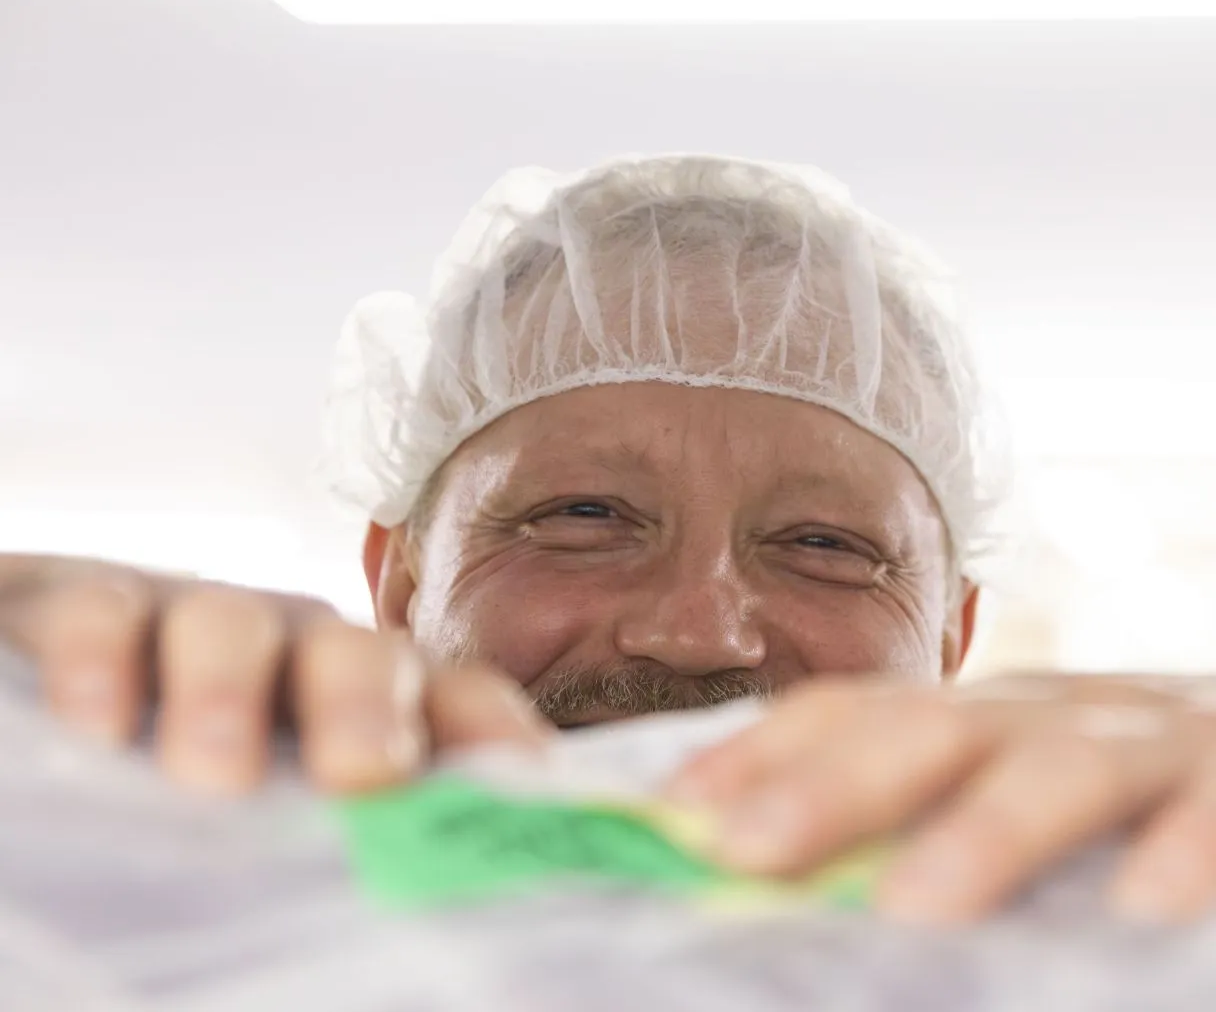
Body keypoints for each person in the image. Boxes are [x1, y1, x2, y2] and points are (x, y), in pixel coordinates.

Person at [3, 155, 1215, 926]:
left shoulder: (1089, 924)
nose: (697, 633)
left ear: (950, 631)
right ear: (403, 580)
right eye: (582, 516)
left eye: (825, 544)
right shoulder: (176, 893)